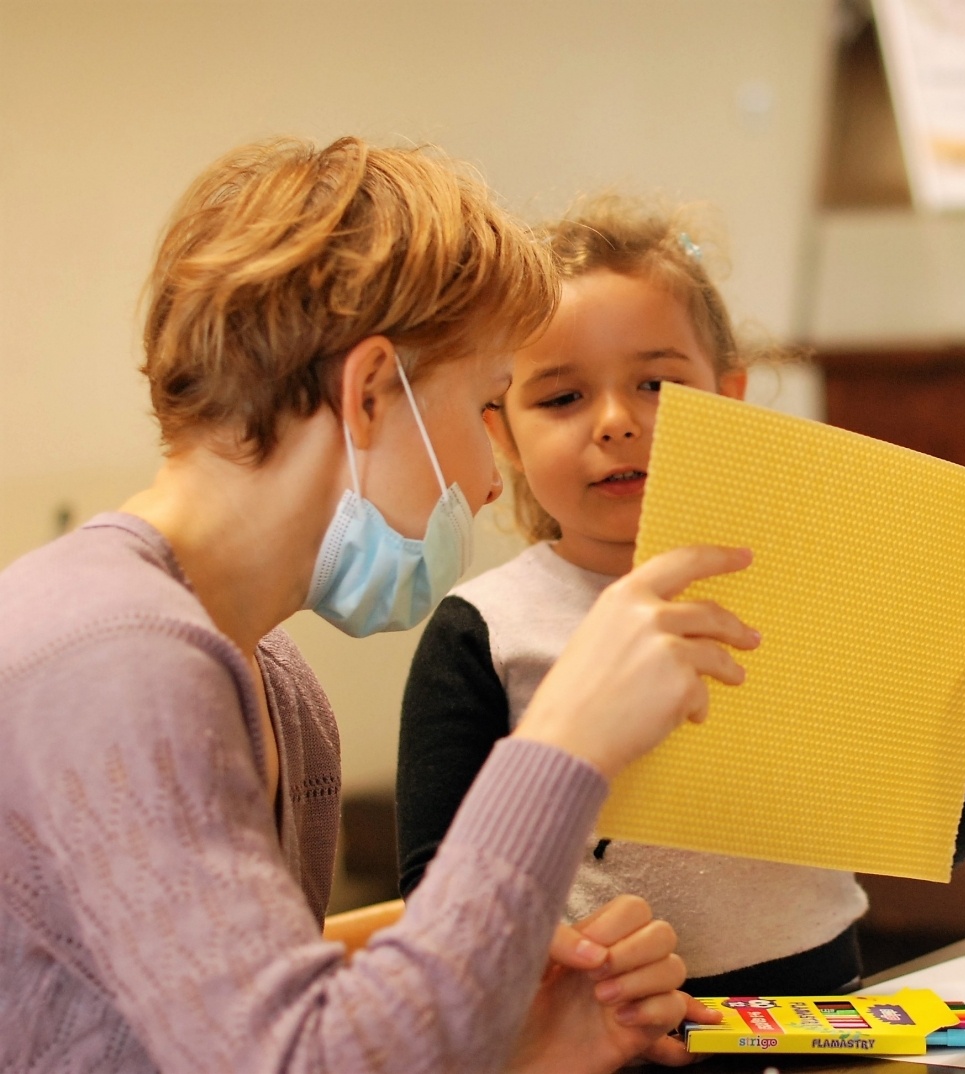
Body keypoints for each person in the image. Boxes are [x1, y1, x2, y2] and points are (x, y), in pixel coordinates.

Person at [0, 138, 760, 1073]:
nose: (489, 483)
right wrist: (563, 743)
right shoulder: (114, 659)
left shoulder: (275, 680)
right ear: (368, 395)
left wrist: (504, 1031)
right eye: (489, 404)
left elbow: (260, 1018)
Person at [396, 196, 965, 995]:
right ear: (503, 436)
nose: (615, 421)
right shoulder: (485, 632)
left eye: (657, 384)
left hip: (822, 1014)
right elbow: (434, 890)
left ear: (728, 394)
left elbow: (931, 844)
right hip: (606, 1033)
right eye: (561, 397)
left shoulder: (819, 590)